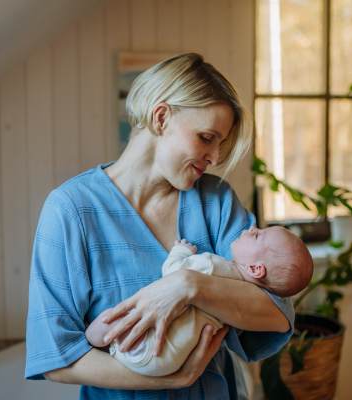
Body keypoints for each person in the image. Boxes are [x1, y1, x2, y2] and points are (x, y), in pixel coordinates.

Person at [25, 52, 295, 399]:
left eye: (220, 144)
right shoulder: (71, 211)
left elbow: (277, 310)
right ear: (161, 117)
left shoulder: (216, 200)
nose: (214, 158)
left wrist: (188, 285)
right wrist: (167, 379)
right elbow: (56, 357)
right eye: (206, 137)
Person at [85, 228, 313, 377]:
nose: (251, 227)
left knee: (104, 325)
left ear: (255, 268)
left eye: (256, 235)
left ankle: (93, 337)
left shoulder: (214, 266)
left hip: (151, 343)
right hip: (170, 363)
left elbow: (172, 273)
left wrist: (180, 251)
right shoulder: (242, 301)